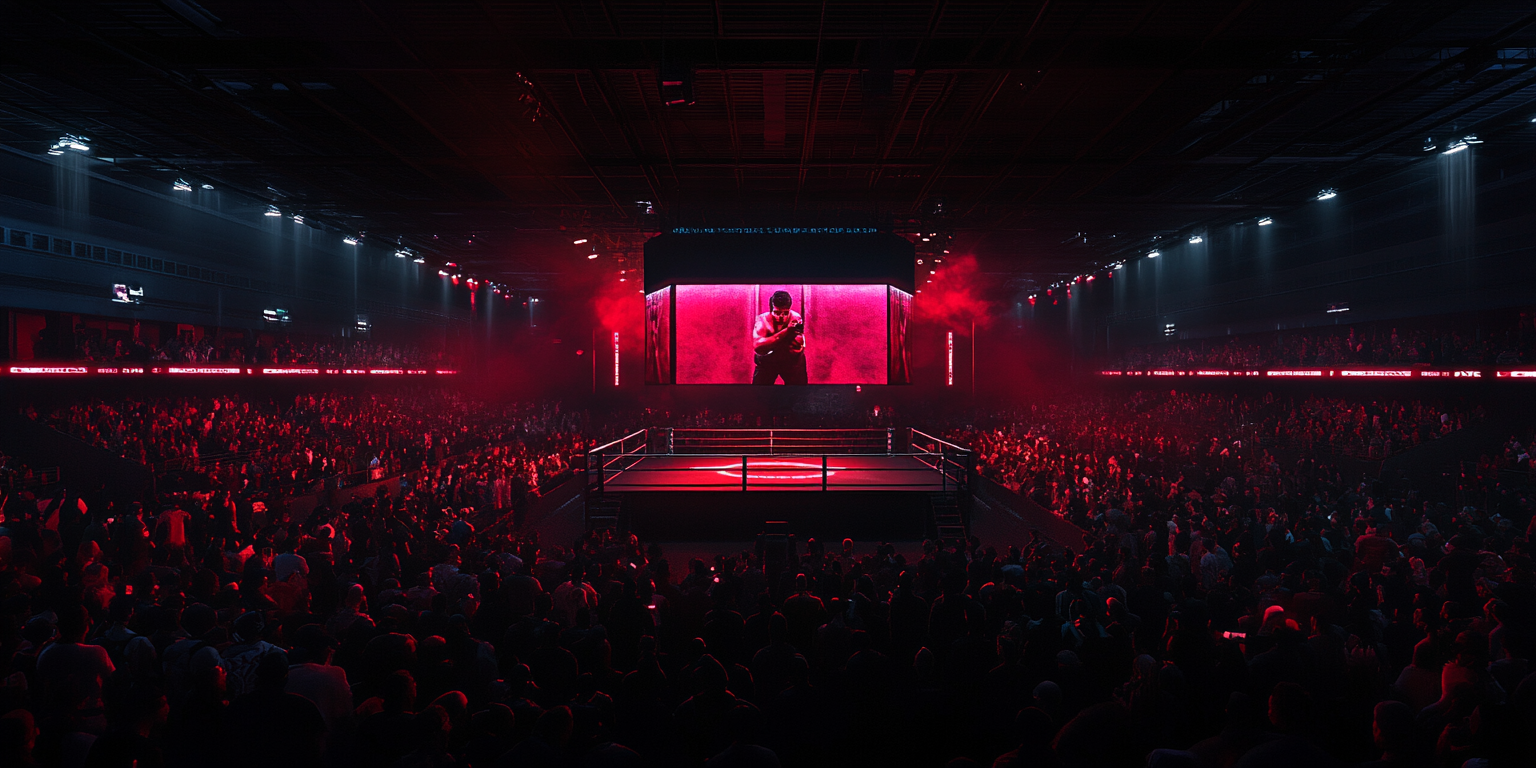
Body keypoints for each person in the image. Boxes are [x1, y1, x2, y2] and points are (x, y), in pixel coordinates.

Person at [751, 291, 808, 385]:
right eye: (777, 313)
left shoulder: (795, 317)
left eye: (785, 313)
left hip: (791, 363)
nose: (781, 317)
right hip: (767, 363)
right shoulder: (762, 320)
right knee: (759, 393)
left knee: (799, 393)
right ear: (771, 309)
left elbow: (797, 348)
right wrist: (786, 332)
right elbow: (758, 347)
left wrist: (772, 342)